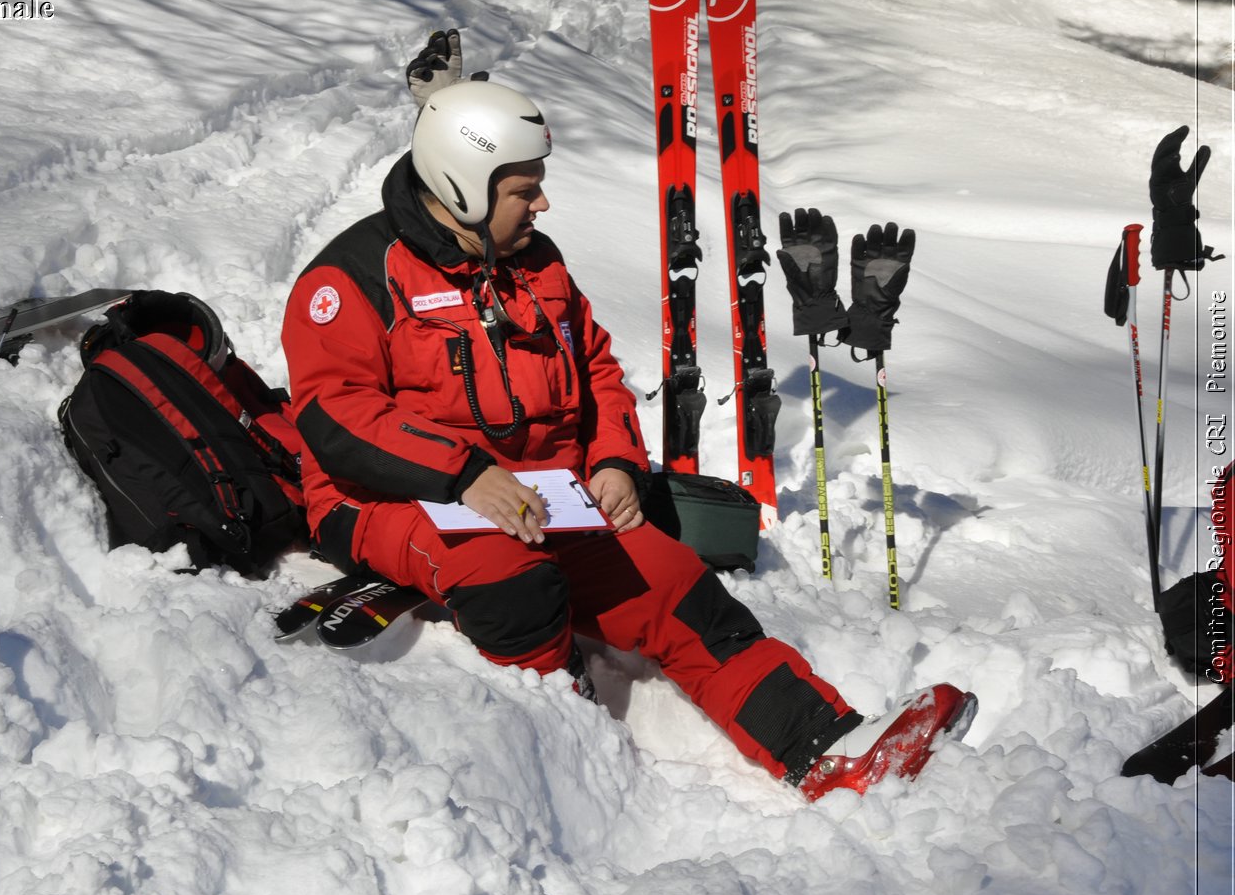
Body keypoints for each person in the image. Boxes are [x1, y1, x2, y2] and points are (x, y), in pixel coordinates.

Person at [280, 41, 976, 801]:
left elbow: (598, 373)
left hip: (536, 493)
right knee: (517, 581)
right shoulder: (350, 279)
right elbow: (335, 415)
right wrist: (466, 474)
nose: (542, 205)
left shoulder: (536, 265)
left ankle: (828, 749)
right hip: (385, 499)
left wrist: (614, 459)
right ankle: (572, 762)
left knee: (679, 582)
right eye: (525, 190)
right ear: (465, 187)